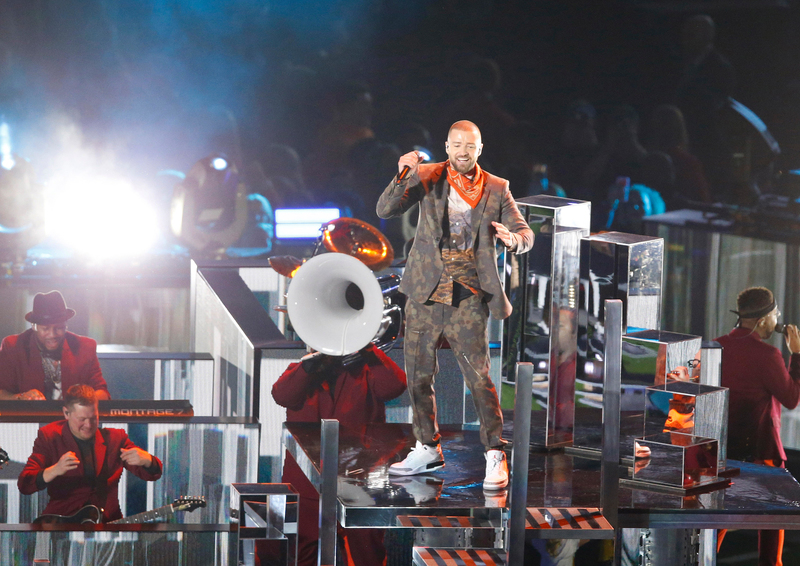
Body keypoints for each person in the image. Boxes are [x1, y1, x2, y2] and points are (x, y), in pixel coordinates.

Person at [376, 120, 535, 490]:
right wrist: (402, 175)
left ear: (480, 149)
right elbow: (386, 209)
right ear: (447, 147)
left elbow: (525, 233)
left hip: (468, 295)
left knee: (478, 377)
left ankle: (495, 452)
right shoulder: (427, 176)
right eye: (457, 145)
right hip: (425, 291)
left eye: (470, 146)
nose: (463, 152)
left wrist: (512, 240)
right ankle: (427, 446)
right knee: (417, 375)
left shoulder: (498, 188)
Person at [272, 343, 407, 566]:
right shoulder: (301, 371)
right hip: (308, 484)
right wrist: (309, 367)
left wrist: (367, 349)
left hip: (360, 481)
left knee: (367, 556)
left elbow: (394, 387)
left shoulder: (366, 369)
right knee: (304, 554)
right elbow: (282, 395)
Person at [715, 287, 800, 566]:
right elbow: (792, 399)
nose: (777, 321)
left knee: (712, 528)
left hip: (720, 453)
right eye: (775, 315)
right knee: (772, 538)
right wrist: (797, 355)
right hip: (761, 454)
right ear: (763, 320)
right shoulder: (769, 355)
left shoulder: (715, 346)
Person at [18, 384, 162, 522]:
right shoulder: (49, 436)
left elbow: (152, 474)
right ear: (66, 413)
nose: (88, 425)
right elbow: (25, 484)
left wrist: (148, 460)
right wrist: (55, 470)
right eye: (82, 419)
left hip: (106, 527)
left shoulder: (116, 439)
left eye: (94, 418)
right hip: (63, 526)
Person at [0, 291, 110, 401]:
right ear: (34, 326)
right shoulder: (13, 346)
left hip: (72, 418)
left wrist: (81, 403)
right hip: (30, 418)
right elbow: (2, 393)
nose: (52, 335)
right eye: (45, 329)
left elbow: (102, 393)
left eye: (59, 328)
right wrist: (21, 398)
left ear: (66, 325)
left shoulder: (85, 347)